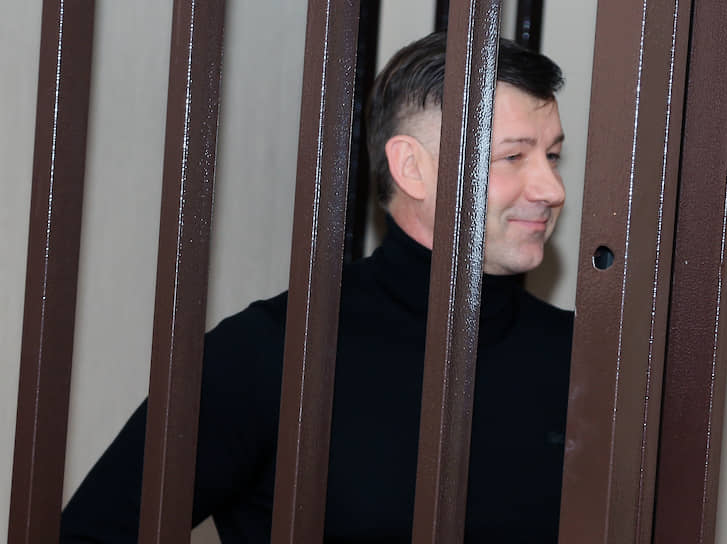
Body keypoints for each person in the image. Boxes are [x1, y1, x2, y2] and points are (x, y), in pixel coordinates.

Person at [61, 31, 572, 543]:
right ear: (412, 168)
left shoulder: (583, 359)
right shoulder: (277, 354)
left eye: (552, 156)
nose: (552, 190)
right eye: (513, 157)